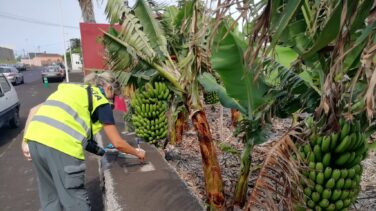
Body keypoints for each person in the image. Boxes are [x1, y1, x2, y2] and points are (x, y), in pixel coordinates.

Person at [21, 71, 145, 211]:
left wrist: (24, 142)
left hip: (34, 141)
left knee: (50, 198)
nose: (113, 100)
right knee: (75, 202)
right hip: (61, 146)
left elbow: (33, 110)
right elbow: (118, 143)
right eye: (114, 95)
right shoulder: (101, 101)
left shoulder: (73, 89)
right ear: (108, 88)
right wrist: (137, 153)